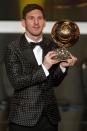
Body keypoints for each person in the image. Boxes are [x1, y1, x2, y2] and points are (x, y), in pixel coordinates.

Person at [5, 3, 77, 131]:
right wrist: (44, 67)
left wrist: (62, 67)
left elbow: (54, 82)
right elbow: (17, 82)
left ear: (44, 22)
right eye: (31, 18)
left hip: (50, 118)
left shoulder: (53, 45)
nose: (36, 22)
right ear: (23, 22)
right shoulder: (13, 48)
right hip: (23, 119)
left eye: (39, 18)